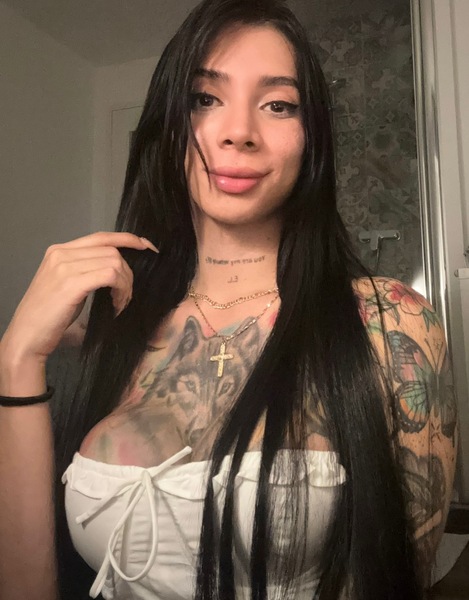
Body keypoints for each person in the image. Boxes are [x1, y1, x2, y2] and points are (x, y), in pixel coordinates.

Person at [0, 0, 458, 599]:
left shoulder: (389, 323)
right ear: (167, 126)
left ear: (311, 138)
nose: (238, 131)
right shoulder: (114, 330)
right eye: (205, 98)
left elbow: (401, 580)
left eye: (278, 104)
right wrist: (17, 358)